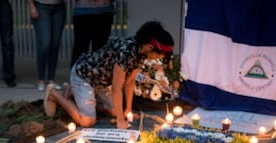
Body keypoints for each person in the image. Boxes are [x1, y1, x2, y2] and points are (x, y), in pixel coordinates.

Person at [43, 21, 174, 129]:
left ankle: (74, 93)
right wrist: (120, 121)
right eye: (158, 55)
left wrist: (127, 110)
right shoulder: (126, 52)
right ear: (150, 47)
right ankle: (55, 93)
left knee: (116, 112)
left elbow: (130, 82)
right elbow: (117, 88)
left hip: (102, 82)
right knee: (88, 121)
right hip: (84, 76)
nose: (156, 58)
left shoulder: (140, 52)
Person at [28, 0, 66, 91]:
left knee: (55, 43)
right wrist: (31, 5)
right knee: (44, 44)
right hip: (41, 6)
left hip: (59, 7)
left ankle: (51, 80)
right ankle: (41, 79)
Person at [70, 0, 115, 67]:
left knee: (100, 51)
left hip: (104, 11)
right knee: (80, 49)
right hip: (83, 12)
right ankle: (76, 75)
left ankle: (98, 76)